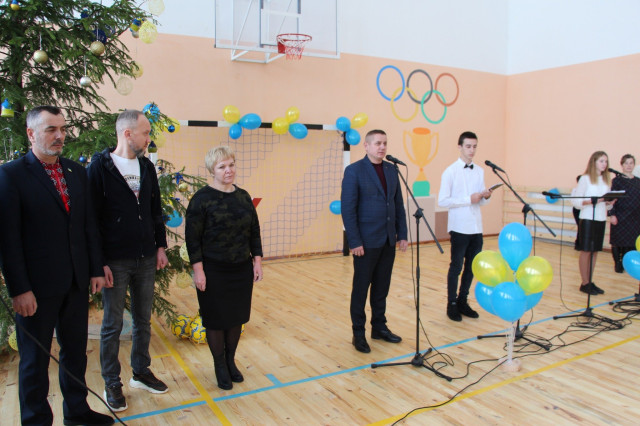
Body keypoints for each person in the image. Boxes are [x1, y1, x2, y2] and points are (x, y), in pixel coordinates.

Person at [0, 106, 113, 425]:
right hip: (36, 288)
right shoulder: (11, 175)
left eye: (62, 129)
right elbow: (8, 239)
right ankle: (36, 419)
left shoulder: (76, 172)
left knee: (75, 352)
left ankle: (77, 412)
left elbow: (88, 225)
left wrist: (95, 268)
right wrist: (19, 289)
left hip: (75, 281)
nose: (60, 135)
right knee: (34, 360)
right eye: (51, 129)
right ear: (31, 133)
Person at [87, 110, 169, 412]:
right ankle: (112, 381)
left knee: (143, 320)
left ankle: (141, 372)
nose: (148, 139)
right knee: (112, 324)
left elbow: (155, 210)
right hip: (115, 261)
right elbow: (91, 219)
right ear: (127, 133)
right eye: (145, 133)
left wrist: (161, 246)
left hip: (146, 257)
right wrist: (99, 262)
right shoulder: (99, 167)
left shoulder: (146, 167)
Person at [185, 146, 263, 390]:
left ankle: (230, 361)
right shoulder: (201, 199)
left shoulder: (243, 197)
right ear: (212, 170)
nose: (228, 170)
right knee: (216, 320)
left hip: (241, 269)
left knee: (236, 318)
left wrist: (257, 261)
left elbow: (254, 231)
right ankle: (219, 364)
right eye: (222, 167)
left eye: (231, 165)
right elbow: (192, 239)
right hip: (213, 270)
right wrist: (198, 270)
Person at [341, 129, 408, 354]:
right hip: (365, 242)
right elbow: (348, 209)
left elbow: (398, 205)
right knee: (361, 289)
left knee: (381, 288)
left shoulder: (391, 170)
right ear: (366, 146)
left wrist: (402, 234)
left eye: (385, 143)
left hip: (388, 239)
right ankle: (358, 333)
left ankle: (379, 327)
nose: (382, 147)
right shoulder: (354, 171)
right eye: (377, 143)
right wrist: (354, 241)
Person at [438, 131, 493, 322]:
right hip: (459, 227)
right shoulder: (450, 171)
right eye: (468, 146)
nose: (472, 150)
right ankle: (451, 303)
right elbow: (443, 201)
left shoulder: (479, 171)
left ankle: (463, 300)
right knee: (456, 266)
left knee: (471, 267)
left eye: (474, 146)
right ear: (459, 147)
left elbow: (480, 201)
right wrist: (468, 199)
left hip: (476, 227)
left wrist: (485, 196)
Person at [572, 151, 614, 295]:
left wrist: (609, 202)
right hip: (588, 218)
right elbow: (576, 202)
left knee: (595, 251)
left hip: (600, 218)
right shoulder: (585, 179)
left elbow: (606, 204)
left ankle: (590, 281)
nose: (604, 164)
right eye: (601, 161)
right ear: (594, 162)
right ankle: (584, 283)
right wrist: (592, 201)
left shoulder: (606, 179)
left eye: (606, 161)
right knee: (586, 250)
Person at [609, 154, 640, 273]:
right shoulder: (617, 180)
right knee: (617, 241)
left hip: (635, 217)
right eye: (626, 163)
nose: (629, 165)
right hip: (620, 215)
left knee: (631, 242)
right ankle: (618, 263)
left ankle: (627, 263)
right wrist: (612, 214)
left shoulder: (638, 181)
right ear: (622, 165)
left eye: (631, 163)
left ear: (634, 165)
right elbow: (611, 199)